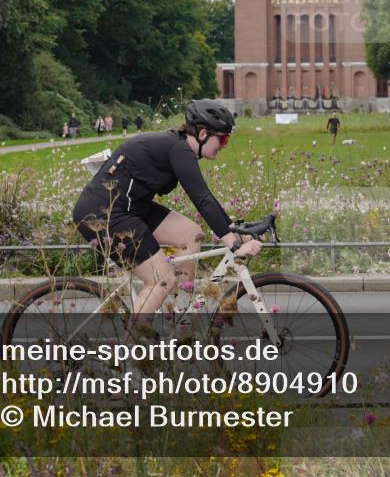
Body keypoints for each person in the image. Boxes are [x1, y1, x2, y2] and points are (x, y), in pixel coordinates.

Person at [72, 99, 261, 330]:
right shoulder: (179, 149)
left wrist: (235, 230)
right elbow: (201, 199)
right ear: (202, 133)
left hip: (131, 207)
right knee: (161, 279)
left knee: (190, 235)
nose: (224, 145)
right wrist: (233, 244)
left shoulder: (178, 146)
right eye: (222, 139)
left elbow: (206, 197)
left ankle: (181, 320)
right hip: (104, 213)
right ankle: (136, 353)